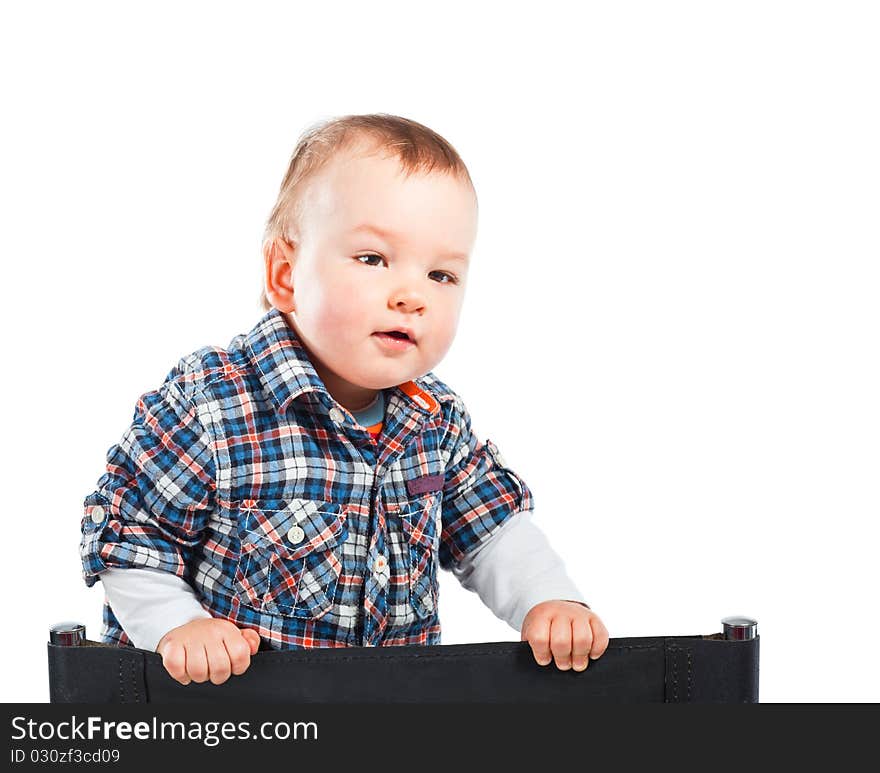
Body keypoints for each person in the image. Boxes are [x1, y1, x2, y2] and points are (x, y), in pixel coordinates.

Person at [80, 113, 609, 686]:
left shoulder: (436, 422)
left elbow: (492, 531)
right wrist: (176, 628)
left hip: (386, 709)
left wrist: (550, 602)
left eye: (441, 274)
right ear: (285, 275)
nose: (412, 296)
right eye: (373, 259)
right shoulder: (213, 406)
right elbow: (130, 535)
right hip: (231, 714)